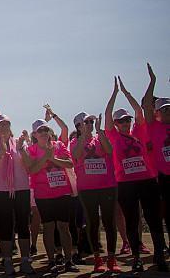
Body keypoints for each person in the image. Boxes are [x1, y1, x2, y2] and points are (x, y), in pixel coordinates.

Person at [106, 76, 167, 272]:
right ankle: (136, 257)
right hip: (126, 184)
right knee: (132, 220)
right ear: (116, 124)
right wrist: (114, 94)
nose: (125, 122)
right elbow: (107, 114)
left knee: (154, 218)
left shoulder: (139, 131)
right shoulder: (113, 136)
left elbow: (139, 111)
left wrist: (126, 93)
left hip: (147, 180)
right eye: (121, 121)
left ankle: (159, 254)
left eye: (127, 120)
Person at [0, 106, 34, 275]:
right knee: (5, 227)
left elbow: (29, 166)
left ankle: (26, 260)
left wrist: (20, 149)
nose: (3, 127)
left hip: (21, 188)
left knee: (23, 225)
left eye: (6, 124)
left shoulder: (20, 142)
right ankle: (7, 260)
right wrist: (1, 153)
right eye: (0, 125)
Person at [25, 119, 77, 273]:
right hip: (43, 194)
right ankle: (52, 260)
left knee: (64, 226)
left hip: (62, 192)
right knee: (48, 227)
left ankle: (68, 260)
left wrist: (52, 158)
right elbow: (32, 170)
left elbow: (70, 163)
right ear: (34, 134)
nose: (44, 133)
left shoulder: (59, 145)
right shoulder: (31, 149)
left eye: (46, 130)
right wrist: (45, 157)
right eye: (40, 131)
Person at [70, 109, 119, 272]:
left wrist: (99, 131)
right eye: (86, 123)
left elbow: (110, 150)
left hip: (107, 186)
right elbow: (76, 154)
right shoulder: (74, 142)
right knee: (92, 222)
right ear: (78, 126)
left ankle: (112, 259)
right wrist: (83, 135)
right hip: (87, 189)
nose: (90, 125)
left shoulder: (99, 138)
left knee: (109, 222)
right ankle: (98, 259)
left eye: (91, 122)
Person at [140, 63, 170, 239]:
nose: (168, 111)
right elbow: (145, 106)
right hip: (163, 177)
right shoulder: (153, 126)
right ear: (157, 112)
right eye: (164, 109)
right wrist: (153, 81)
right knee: (164, 212)